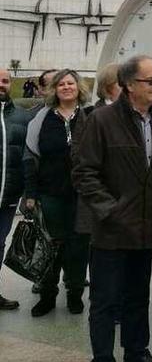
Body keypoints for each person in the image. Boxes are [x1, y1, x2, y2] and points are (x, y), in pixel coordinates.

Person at [71, 56, 152, 362]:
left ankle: (136, 352)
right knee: (105, 301)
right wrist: (110, 210)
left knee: (138, 296)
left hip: (147, 227)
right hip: (112, 230)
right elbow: (83, 172)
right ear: (130, 85)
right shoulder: (101, 120)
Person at [24, 69, 90, 317]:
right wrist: (31, 195)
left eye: (70, 83)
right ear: (54, 89)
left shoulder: (89, 116)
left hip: (82, 196)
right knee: (50, 247)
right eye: (61, 84)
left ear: (78, 87)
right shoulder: (42, 119)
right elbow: (30, 158)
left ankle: (74, 294)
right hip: (49, 194)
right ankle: (47, 295)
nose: (66, 87)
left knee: (78, 248)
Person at [0, 68, 30, 311]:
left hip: (8, 198)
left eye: (5, 80)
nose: (2, 84)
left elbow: (28, 158)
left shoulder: (22, 117)